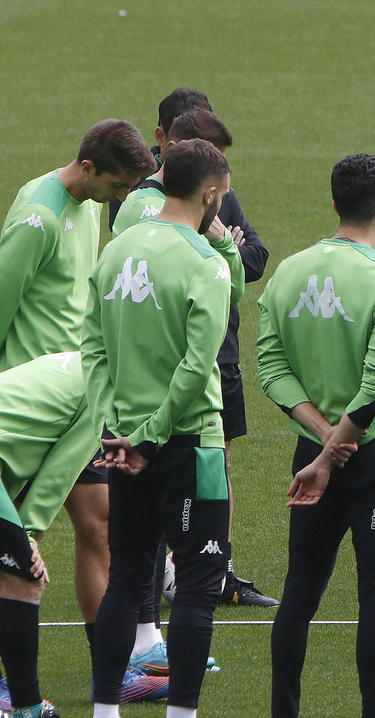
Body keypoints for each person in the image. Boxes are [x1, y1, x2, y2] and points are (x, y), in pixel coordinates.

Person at [82, 138, 244, 718]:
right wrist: (150, 434)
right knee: (201, 580)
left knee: (126, 576)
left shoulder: (116, 247)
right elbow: (196, 365)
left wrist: (113, 428)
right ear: (209, 193)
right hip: (186, 445)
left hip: (121, 442)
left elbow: (92, 346)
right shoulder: (204, 261)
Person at [0, 119, 157, 716]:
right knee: (13, 537)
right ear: (88, 168)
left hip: (81, 393)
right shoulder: (39, 216)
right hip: (36, 402)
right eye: (118, 186)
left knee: (100, 524)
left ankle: (109, 668)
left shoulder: (88, 208)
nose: (121, 199)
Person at [256, 154, 375, 718]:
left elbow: (271, 367)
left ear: (333, 205)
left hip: (310, 456)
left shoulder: (288, 274)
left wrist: (320, 443)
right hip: (373, 458)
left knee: (299, 592)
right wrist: (341, 445)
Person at [116, 87, 276, 607]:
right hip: (160, 368)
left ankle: (211, 570)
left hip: (217, 352)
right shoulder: (141, 209)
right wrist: (219, 242)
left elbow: (252, 259)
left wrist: (223, 240)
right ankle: (166, 591)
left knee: (216, 463)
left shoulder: (214, 195)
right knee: (160, 482)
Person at [0, 352, 104, 718]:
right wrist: (27, 538)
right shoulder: (102, 388)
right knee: (24, 578)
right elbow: (58, 475)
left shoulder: (70, 360)